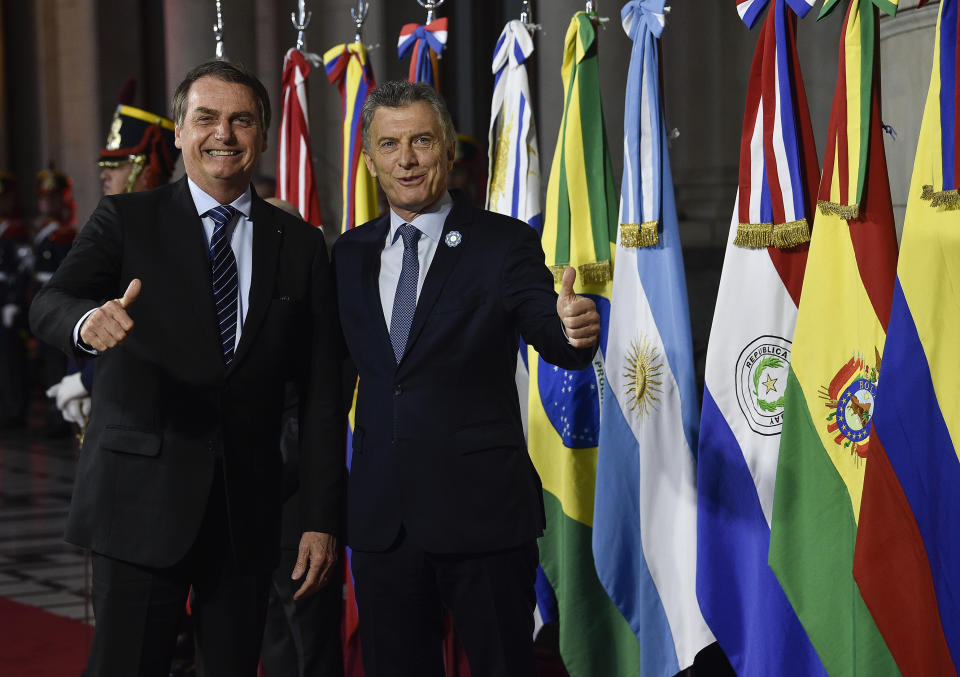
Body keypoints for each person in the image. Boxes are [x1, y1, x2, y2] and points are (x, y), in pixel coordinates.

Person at [29, 60, 345, 677]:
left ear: (262, 133)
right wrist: (86, 322)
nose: (223, 134)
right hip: (138, 507)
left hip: (248, 515)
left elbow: (321, 395)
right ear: (179, 132)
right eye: (206, 118)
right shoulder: (127, 220)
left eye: (240, 120)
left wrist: (320, 520)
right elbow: (49, 302)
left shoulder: (300, 244)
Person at [332, 80, 601, 677]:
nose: (406, 159)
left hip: (481, 514)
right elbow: (329, 381)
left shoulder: (503, 243)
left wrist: (574, 329)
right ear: (371, 160)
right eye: (390, 145)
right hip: (383, 522)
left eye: (422, 141)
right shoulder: (347, 255)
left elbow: (549, 329)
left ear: (449, 151)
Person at [48, 102, 182, 430]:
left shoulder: (170, 231)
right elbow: (82, 303)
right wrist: (77, 373)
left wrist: (87, 380)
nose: (104, 173)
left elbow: (154, 326)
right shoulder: (110, 228)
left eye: (118, 164)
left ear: (146, 169)